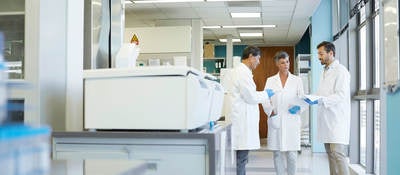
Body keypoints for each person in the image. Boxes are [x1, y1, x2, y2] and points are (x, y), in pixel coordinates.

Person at [222, 45, 272, 175]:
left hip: (240, 120)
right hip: (241, 122)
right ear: (251, 57)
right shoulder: (242, 73)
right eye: (258, 59)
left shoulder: (238, 72)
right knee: (242, 159)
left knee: (241, 158)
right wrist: (267, 93)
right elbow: (251, 97)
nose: (259, 62)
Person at [305, 41, 351, 175]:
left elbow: (341, 95)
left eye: (321, 54)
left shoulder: (341, 71)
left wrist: (320, 100)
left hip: (337, 119)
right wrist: (310, 98)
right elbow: (322, 94)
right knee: (330, 155)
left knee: (338, 154)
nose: (319, 57)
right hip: (327, 120)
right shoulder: (325, 71)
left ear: (331, 53)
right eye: (318, 54)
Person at [262, 51, 306, 175]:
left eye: (287, 61)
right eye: (282, 62)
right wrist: (270, 112)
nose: (286, 64)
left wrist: (299, 108)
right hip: (276, 119)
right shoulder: (270, 80)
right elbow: (265, 98)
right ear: (277, 64)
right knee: (277, 153)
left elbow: (302, 98)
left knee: (292, 154)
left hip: (291, 120)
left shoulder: (297, 80)